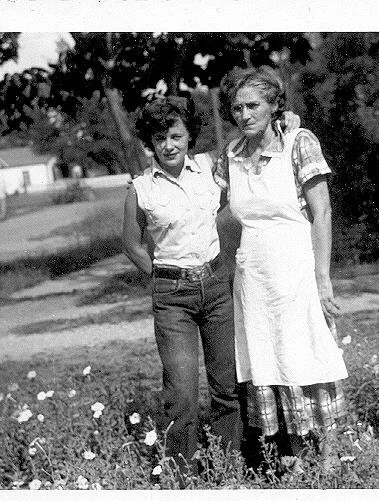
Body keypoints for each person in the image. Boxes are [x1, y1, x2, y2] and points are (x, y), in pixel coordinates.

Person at [121, 95, 299, 469]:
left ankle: (228, 466)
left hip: (217, 289)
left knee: (229, 387)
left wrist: (284, 124)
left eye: (175, 136)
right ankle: (182, 474)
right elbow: (132, 244)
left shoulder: (210, 167)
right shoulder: (140, 188)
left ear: (188, 137)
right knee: (181, 393)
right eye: (159, 139)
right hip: (173, 299)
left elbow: (251, 148)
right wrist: (163, 276)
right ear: (148, 143)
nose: (168, 145)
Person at [216, 66, 349, 468]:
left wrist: (322, 278)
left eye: (253, 105)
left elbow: (322, 212)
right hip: (253, 276)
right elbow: (217, 208)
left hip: (296, 270)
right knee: (266, 357)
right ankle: (291, 457)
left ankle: (329, 458)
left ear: (275, 105)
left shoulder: (299, 141)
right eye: (237, 107)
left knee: (305, 354)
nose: (244, 114)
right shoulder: (231, 154)